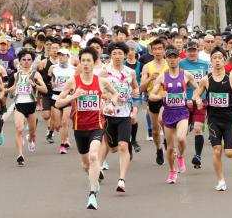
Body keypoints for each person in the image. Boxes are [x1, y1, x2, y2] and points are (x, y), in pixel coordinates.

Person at [55, 47, 118, 210]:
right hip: (79, 127)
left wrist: (111, 104)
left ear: (94, 62)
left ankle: (92, 195)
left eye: (89, 60)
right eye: (83, 60)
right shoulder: (73, 81)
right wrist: (73, 96)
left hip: (96, 125)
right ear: (80, 63)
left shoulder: (102, 81)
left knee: (94, 156)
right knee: (85, 164)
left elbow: (115, 93)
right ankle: (95, 176)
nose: (85, 63)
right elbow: (58, 102)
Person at [195, 47, 232, 191]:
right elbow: (196, 94)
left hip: (229, 119)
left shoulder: (231, 77)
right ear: (211, 61)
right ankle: (221, 180)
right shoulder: (206, 79)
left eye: (220, 58)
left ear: (224, 60)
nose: (217, 60)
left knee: (229, 153)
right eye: (214, 58)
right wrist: (198, 100)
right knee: (217, 150)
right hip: (213, 119)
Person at [150, 46, 198, 184]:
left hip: (182, 112)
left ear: (178, 59)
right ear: (166, 59)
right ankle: (172, 171)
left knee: (181, 137)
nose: (172, 60)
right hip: (168, 114)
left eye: (174, 57)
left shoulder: (186, 74)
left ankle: (181, 156)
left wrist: (193, 99)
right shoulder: (162, 76)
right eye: (169, 57)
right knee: (170, 148)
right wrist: (160, 96)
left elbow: (197, 88)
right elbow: (151, 95)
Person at [98, 42, 139, 192]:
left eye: (120, 53)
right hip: (108, 113)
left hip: (124, 113)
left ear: (125, 54)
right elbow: (100, 91)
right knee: (110, 146)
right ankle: (98, 169)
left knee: (123, 146)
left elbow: (135, 87)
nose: (117, 56)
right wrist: (111, 96)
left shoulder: (130, 72)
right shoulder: (104, 71)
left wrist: (135, 92)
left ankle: (121, 180)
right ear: (110, 55)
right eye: (114, 54)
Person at [5, 49, 48, 166]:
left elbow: (45, 89)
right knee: (19, 129)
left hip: (31, 106)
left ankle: (31, 138)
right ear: (19, 62)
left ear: (32, 61)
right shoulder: (16, 74)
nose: (26, 62)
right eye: (23, 59)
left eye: (29, 59)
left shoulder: (36, 74)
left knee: (32, 132)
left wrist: (34, 84)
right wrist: (5, 90)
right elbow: (14, 87)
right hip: (19, 105)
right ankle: (20, 155)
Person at [179, 41, 209, 169]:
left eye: (194, 50)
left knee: (197, 128)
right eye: (189, 50)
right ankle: (179, 155)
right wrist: (185, 99)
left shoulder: (205, 65)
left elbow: (209, 82)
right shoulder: (180, 64)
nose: (192, 53)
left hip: (200, 101)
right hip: (184, 102)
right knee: (182, 133)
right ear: (185, 51)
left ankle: (198, 156)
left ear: (198, 51)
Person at [140, 39, 169, 165]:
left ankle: (168, 143)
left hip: (168, 99)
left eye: (160, 49)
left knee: (166, 126)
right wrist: (150, 78)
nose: (157, 51)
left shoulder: (170, 64)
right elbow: (141, 87)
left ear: (164, 50)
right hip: (153, 99)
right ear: (151, 51)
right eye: (155, 49)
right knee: (156, 131)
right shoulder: (147, 66)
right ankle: (158, 149)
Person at [49, 48, 76, 154]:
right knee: (57, 125)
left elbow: (76, 83)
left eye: (63, 55)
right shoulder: (54, 68)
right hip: (56, 97)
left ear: (68, 56)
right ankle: (66, 138)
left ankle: (62, 145)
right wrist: (52, 84)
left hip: (67, 97)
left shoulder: (73, 70)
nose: (61, 57)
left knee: (65, 122)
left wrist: (73, 89)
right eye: (59, 55)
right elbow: (51, 81)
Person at [38, 38, 60, 144]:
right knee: (46, 115)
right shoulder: (43, 62)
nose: (55, 50)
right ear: (49, 50)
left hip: (58, 93)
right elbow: (38, 77)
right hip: (47, 92)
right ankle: (49, 128)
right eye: (53, 48)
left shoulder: (63, 63)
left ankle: (50, 134)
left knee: (56, 119)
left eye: (57, 48)